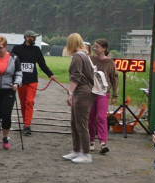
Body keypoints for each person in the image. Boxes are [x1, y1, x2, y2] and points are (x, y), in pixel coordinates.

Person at [9, 30, 56, 135]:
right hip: (20, 81)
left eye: (35, 37)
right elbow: (11, 63)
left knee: (29, 102)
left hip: (32, 81)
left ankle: (27, 125)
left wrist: (50, 74)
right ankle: (26, 122)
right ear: (26, 38)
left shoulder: (36, 50)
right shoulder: (17, 49)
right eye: (32, 37)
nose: (34, 39)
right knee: (23, 104)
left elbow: (42, 64)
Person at [62, 33, 95, 164]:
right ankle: (76, 150)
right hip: (84, 91)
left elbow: (76, 77)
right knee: (74, 123)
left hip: (82, 92)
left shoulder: (77, 57)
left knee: (81, 124)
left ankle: (86, 154)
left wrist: (70, 93)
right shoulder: (85, 55)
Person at [89, 39, 118, 155]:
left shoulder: (110, 63)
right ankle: (91, 141)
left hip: (104, 92)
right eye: (94, 47)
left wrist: (115, 94)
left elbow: (114, 79)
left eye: (97, 47)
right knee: (90, 117)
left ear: (104, 49)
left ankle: (103, 142)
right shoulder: (91, 59)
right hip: (91, 92)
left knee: (101, 117)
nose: (95, 49)